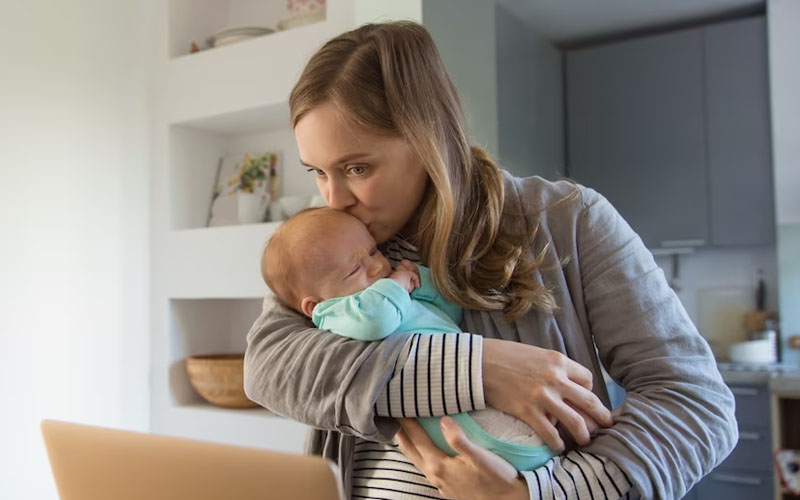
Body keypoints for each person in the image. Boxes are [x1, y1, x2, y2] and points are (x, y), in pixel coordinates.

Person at [244, 21, 737, 500]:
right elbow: (270, 367)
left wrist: (539, 494)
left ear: (429, 138)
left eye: (356, 168)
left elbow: (696, 404)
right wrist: (477, 370)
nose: (333, 200)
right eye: (317, 172)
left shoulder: (569, 219)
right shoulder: (334, 241)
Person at [260, 206, 557, 472]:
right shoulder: (334, 311)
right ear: (313, 305)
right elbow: (379, 322)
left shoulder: (386, 288)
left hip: (462, 381)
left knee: (523, 428)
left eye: (374, 251)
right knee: (485, 438)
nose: (377, 266)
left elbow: (450, 310)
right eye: (354, 269)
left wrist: (419, 280)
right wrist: (399, 284)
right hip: (440, 407)